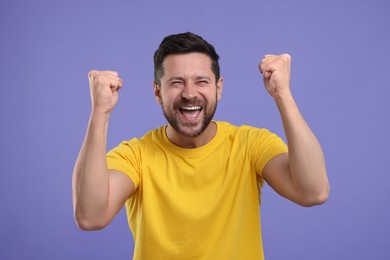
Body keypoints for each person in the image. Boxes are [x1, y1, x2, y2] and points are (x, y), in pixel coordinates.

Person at [72, 32, 330, 259]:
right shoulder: (135, 155)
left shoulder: (250, 144)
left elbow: (313, 191)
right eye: (176, 82)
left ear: (219, 88)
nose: (189, 93)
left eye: (201, 81)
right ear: (157, 92)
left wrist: (282, 94)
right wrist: (100, 113)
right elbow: (90, 216)